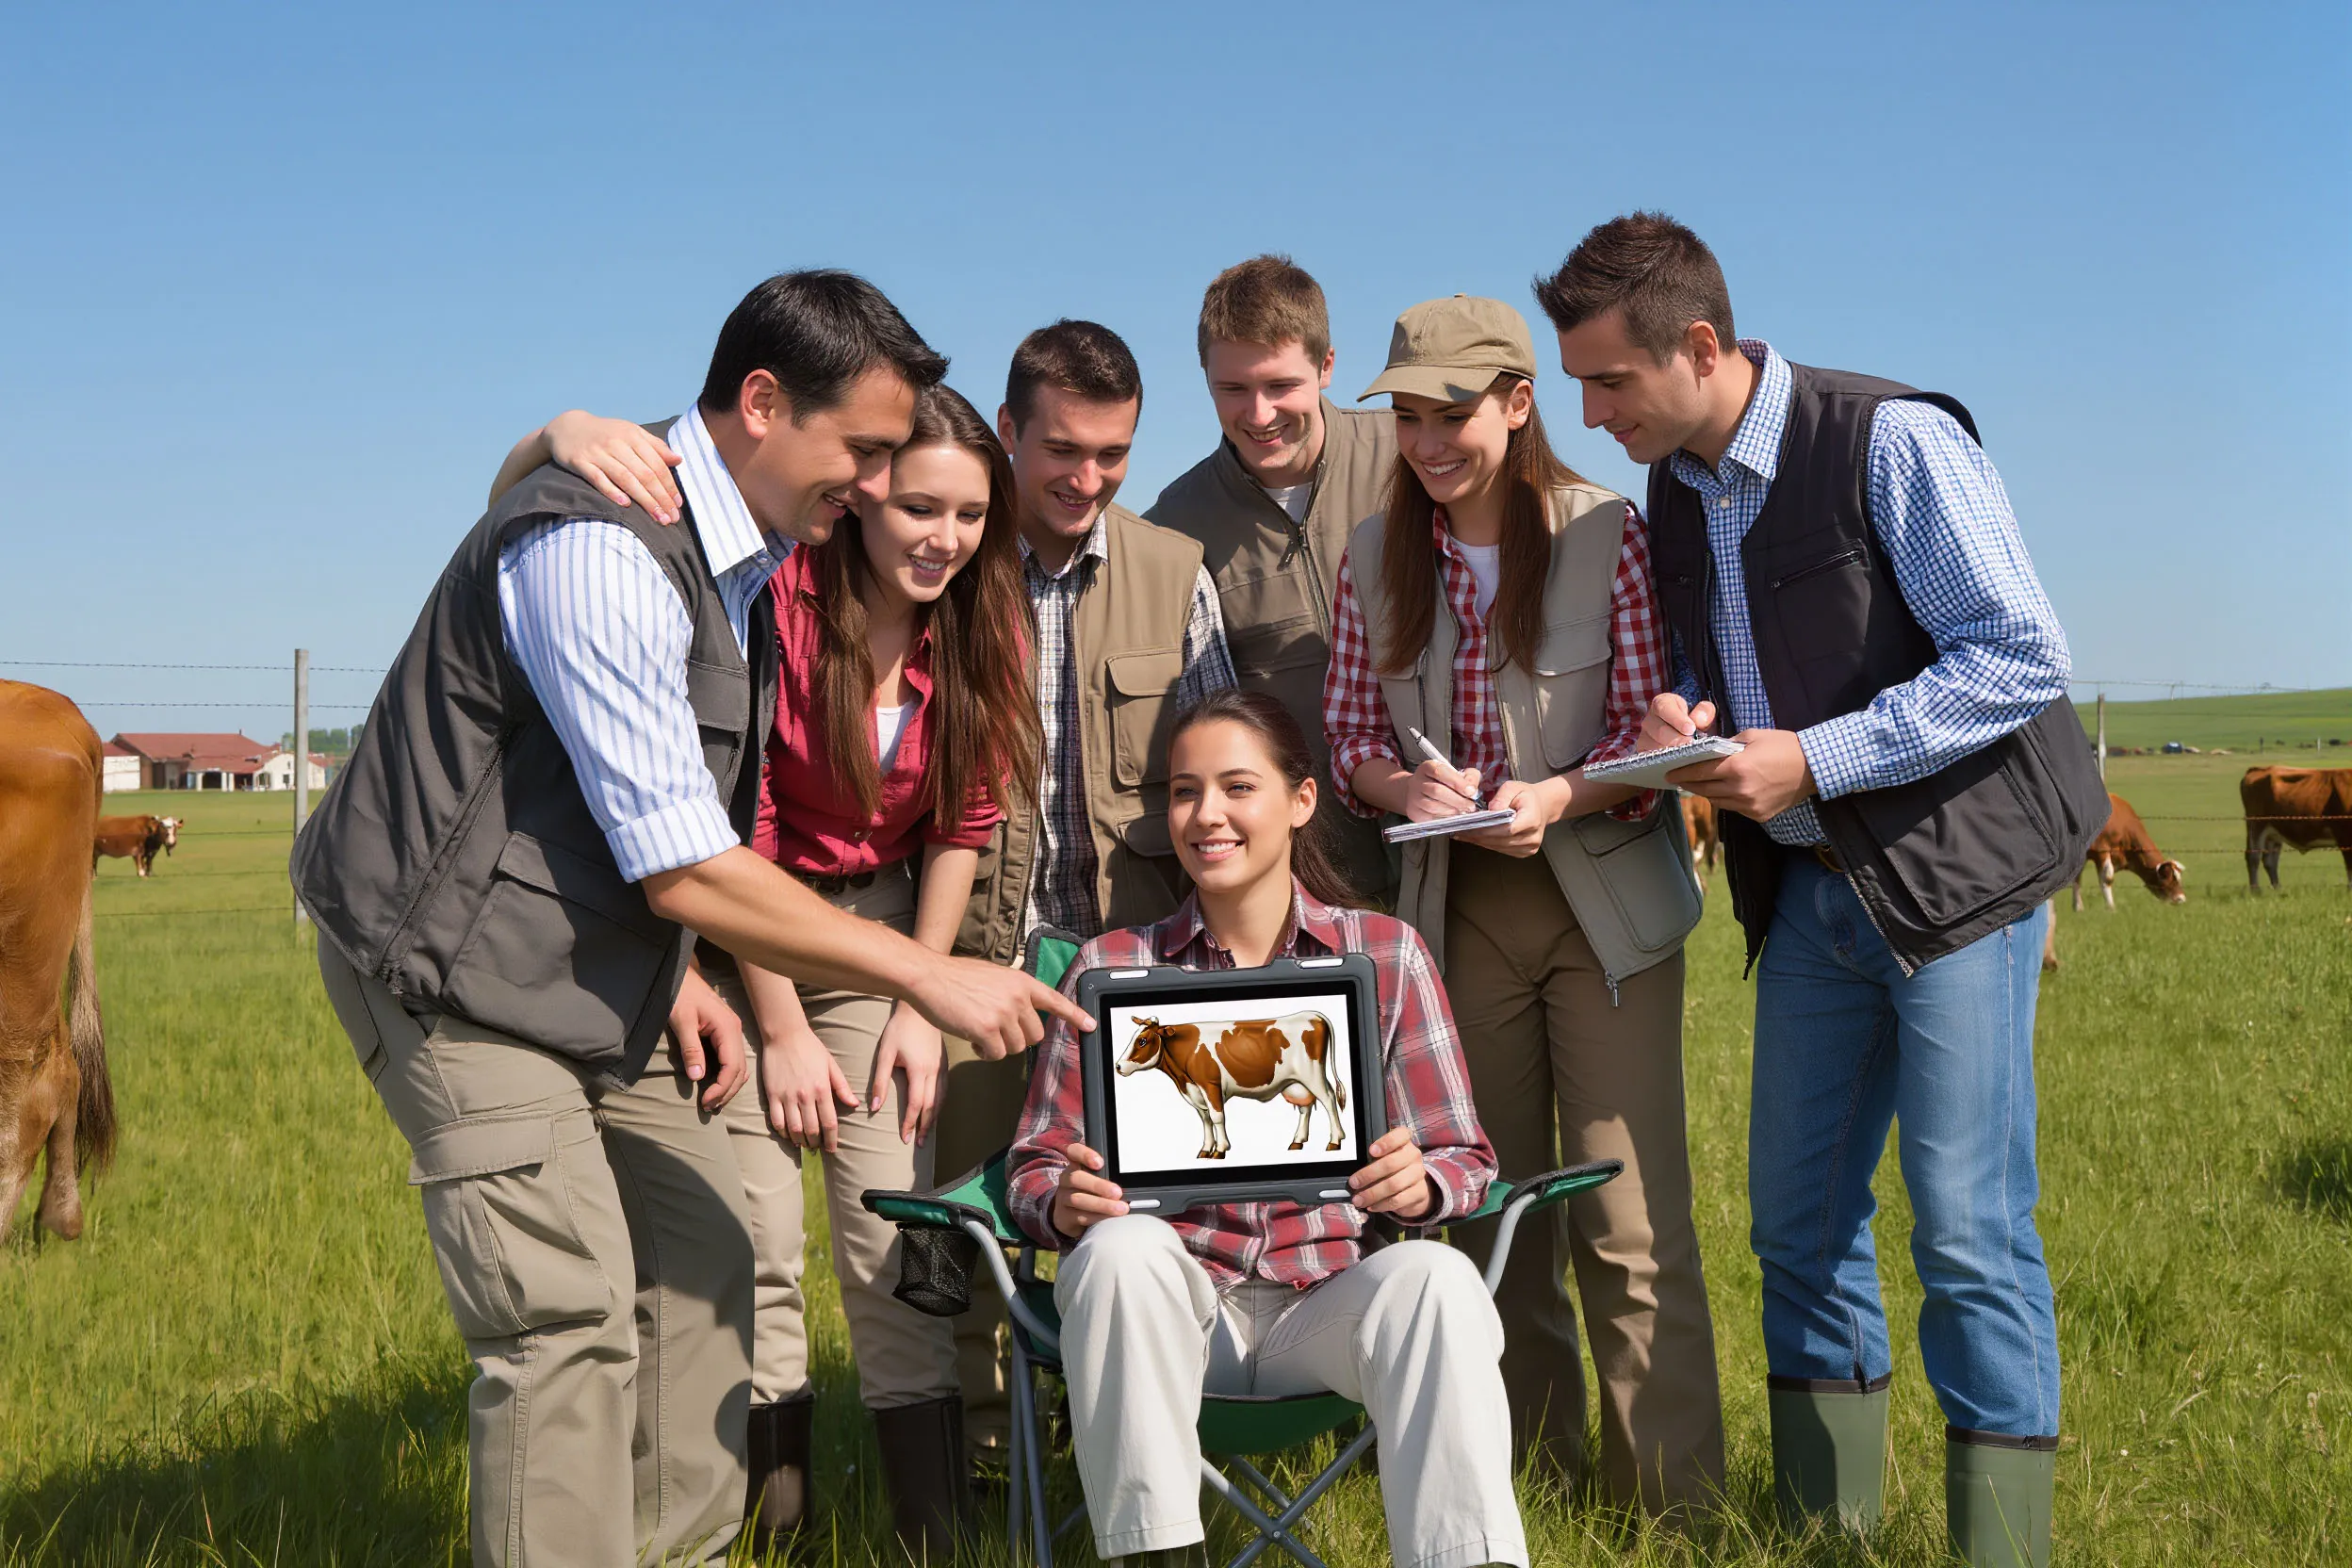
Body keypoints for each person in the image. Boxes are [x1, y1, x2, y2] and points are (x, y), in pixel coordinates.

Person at [292, 271, 1088, 1568]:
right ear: (763, 405)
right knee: (564, 1315)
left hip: (602, 963)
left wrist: (678, 981)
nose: (877, 486)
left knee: (713, 1258)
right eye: (865, 451)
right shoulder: (607, 548)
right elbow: (686, 864)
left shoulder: (746, 550)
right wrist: (925, 977)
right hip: (449, 971)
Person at [1538, 213, 2104, 1568]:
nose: (1591, 413)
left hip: (1956, 891)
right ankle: (1823, 1538)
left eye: (1609, 380)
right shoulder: (1677, 487)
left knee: (1966, 1230)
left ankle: (2001, 1552)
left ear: (1700, 344)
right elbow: (1723, 661)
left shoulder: (1889, 440)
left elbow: (2020, 651)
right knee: (1796, 1224)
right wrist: (1687, 711)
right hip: (1805, 898)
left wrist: (1815, 758)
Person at [484, 385, 1039, 1557]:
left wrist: (918, 998)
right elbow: (748, 821)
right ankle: (775, 1530)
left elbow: (965, 817)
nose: (945, 538)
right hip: (738, 946)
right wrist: (781, 1028)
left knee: (894, 1237)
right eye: (919, 507)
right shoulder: (775, 602)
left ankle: (933, 1537)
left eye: (972, 514)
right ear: (865, 494)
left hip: (883, 945)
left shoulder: (985, 620)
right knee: (755, 1242)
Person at [1321, 293, 1724, 1513]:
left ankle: (1672, 1509)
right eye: (1407, 417)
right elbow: (1349, 739)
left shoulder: (1607, 530)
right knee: (1496, 1219)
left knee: (1627, 1222)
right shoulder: (1373, 555)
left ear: (1517, 402)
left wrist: (1558, 792)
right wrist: (1405, 783)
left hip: (1606, 915)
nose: (1427, 442)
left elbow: (1646, 732)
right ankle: (1533, 1489)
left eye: (1450, 414)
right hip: (1459, 922)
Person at [1008, 690, 1523, 1568]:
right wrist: (1062, 1202)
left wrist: (1423, 1182)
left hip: (1327, 1304)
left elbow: (1463, 1157)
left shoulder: (1386, 954)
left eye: (1238, 787)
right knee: (1118, 1252)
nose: (1207, 815)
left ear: (1302, 800)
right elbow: (1033, 1166)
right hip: (1170, 1311)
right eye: (1184, 792)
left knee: (1439, 1279)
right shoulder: (1112, 970)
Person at [929, 319, 1239, 1464]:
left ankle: (1133, 1447)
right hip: (974, 962)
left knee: (1141, 1219)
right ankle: (976, 1463)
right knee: (961, 1224)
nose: (1087, 477)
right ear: (1006, 430)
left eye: (1113, 454)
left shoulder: (1174, 570)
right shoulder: (945, 555)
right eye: (1062, 449)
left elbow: (1222, 768)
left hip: (1133, 967)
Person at [1147, 255, 1397, 902]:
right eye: (1233, 389)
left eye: (1281, 385)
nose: (1259, 414)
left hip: (1453, 843)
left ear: (1327, 366)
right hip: (1311, 881)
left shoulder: (1411, 458)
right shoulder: (1173, 529)